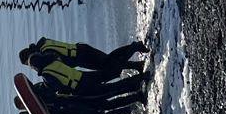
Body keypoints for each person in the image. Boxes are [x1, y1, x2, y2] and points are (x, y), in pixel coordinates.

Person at [20, 38, 148, 78]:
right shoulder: (42, 44)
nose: (32, 65)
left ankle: (134, 47)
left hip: (80, 56)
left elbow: (59, 62)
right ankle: (137, 65)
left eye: (29, 63)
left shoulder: (44, 52)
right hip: (80, 50)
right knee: (108, 61)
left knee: (108, 62)